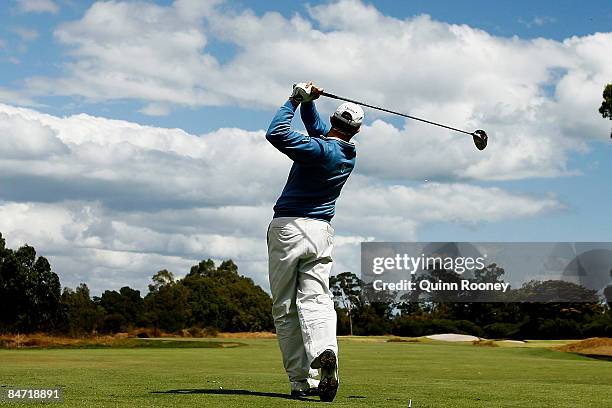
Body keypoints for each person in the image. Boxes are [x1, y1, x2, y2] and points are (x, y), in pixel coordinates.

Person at [265, 81, 363, 402]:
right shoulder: (346, 154)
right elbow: (320, 129)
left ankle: (299, 381)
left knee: (285, 307)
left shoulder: (319, 150)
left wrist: (294, 99)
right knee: (317, 299)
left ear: (335, 122)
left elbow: (276, 133)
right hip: (321, 233)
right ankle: (325, 351)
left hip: (289, 228)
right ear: (355, 130)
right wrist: (310, 104)